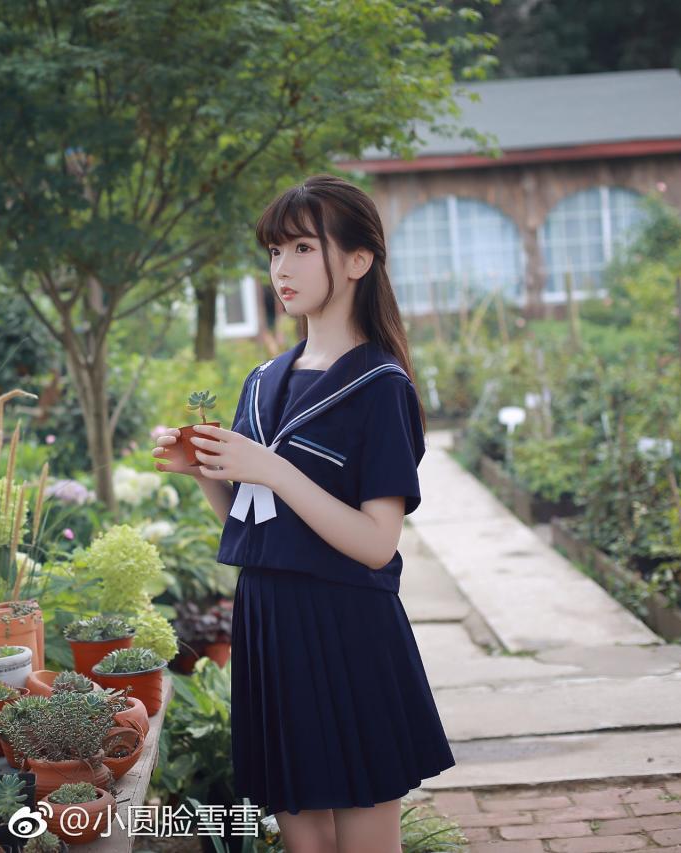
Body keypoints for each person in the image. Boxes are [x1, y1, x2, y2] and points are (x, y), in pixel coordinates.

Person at [152, 175, 455, 853]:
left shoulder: (381, 387)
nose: (281, 268)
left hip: (347, 627)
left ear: (357, 259)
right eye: (273, 251)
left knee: (363, 838)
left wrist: (274, 468)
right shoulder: (262, 381)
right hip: (268, 625)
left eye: (301, 248)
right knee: (303, 841)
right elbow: (253, 517)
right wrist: (203, 469)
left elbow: (377, 543)